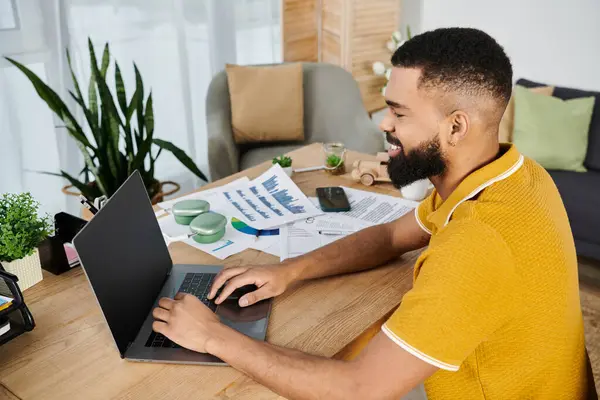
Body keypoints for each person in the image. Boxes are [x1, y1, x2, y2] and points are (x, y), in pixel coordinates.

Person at [151, 27, 591, 399]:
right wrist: (289, 271)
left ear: (456, 126)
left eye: (399, 112)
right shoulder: (512, 174)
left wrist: (212, 335)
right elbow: (391, 237)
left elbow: (359, 389)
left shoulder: (477, 243)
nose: (384, 123)